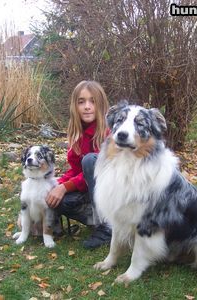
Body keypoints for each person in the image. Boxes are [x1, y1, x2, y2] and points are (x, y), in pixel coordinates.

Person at [45, 80, 112, 249]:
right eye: (81, 102)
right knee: (56, 197)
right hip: (91, 193)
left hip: (113, 192)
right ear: (75, 106)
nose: (87, 106)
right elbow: (76, 171)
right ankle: (94, 220)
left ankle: (108, 226)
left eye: (92, 101)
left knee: (91, 160)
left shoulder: (108, 132)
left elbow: (98, 168)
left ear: (101, 104)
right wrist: (54, 186)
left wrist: (65, 187)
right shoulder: (77, 134)